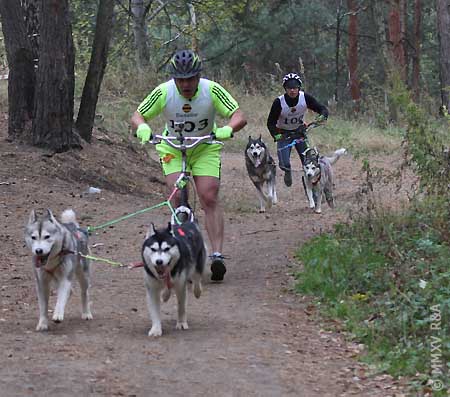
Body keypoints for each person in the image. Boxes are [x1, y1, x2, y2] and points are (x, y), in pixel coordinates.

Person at [130, 49, 247, 282]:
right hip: (173, 147)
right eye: (180, 79)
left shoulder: (211, 90)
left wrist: (227, 129)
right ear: (174, 78)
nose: (186, 84)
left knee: (208, 195)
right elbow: (137, 115)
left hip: (205, 146)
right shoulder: (164, 92)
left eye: (191, 78)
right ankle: (181, 250)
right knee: (175, 196)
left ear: (198, 76)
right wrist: (142, 128)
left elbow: (238, 115)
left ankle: (216, 255)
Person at [266, 73, 328, 187]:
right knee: (284, 164)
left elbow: (322, 108)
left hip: (300, 133)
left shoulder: (305, 98)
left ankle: (310, 186)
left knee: (308, 162)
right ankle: (287, 172)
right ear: (285, 89)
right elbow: (270, 122)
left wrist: (322, 116)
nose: (292, 91)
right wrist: (276, 135)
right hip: (283, 134)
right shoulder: (278, 102)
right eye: (289, 88)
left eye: (295, 88)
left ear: (299, 88)